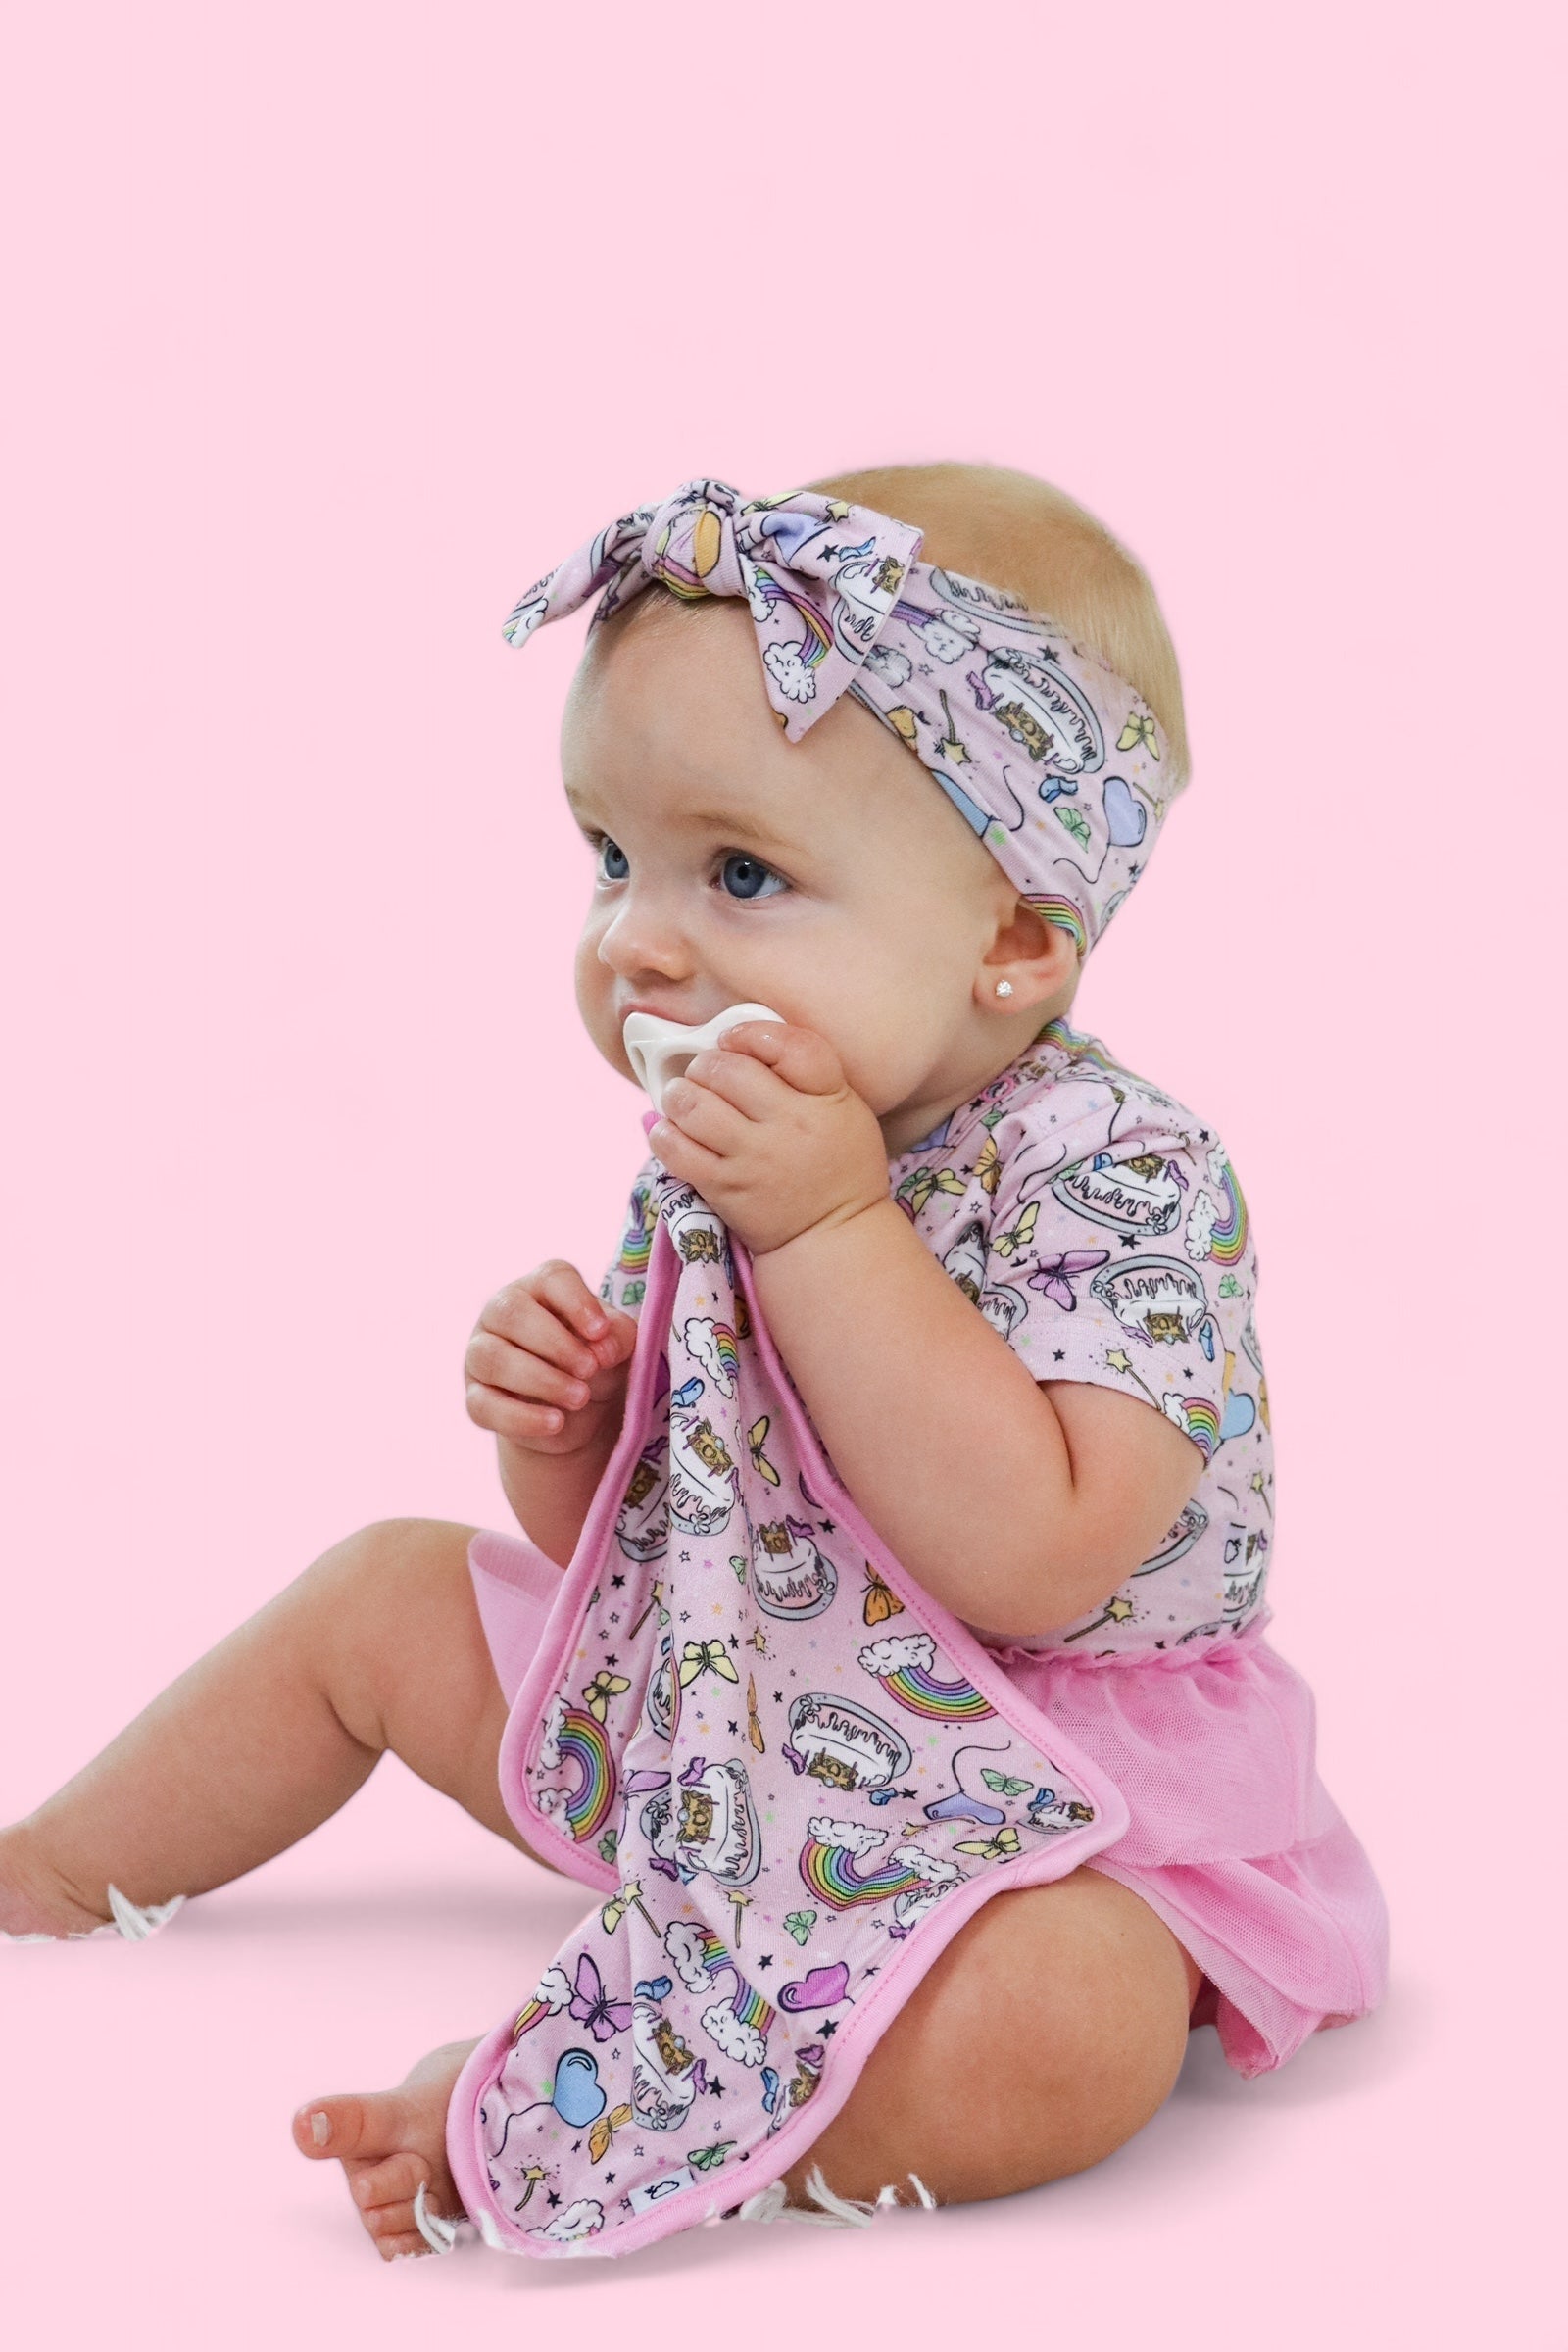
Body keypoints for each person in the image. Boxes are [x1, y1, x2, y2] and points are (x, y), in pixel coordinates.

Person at [0, 465, 1387, 2262]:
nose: (636, 942)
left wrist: (833, 1230)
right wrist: (569, 1432)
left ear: (1017, 940)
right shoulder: (740, 1145)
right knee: (386, 1590)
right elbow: (663, 1534)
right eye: (610, 858)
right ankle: (45, 1868)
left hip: (1059, 1777)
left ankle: (587, 2106)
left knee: (1068, 2022)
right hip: (749, 1720)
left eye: (740, 873)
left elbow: (1042, 1558)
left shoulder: (1121, 1174)